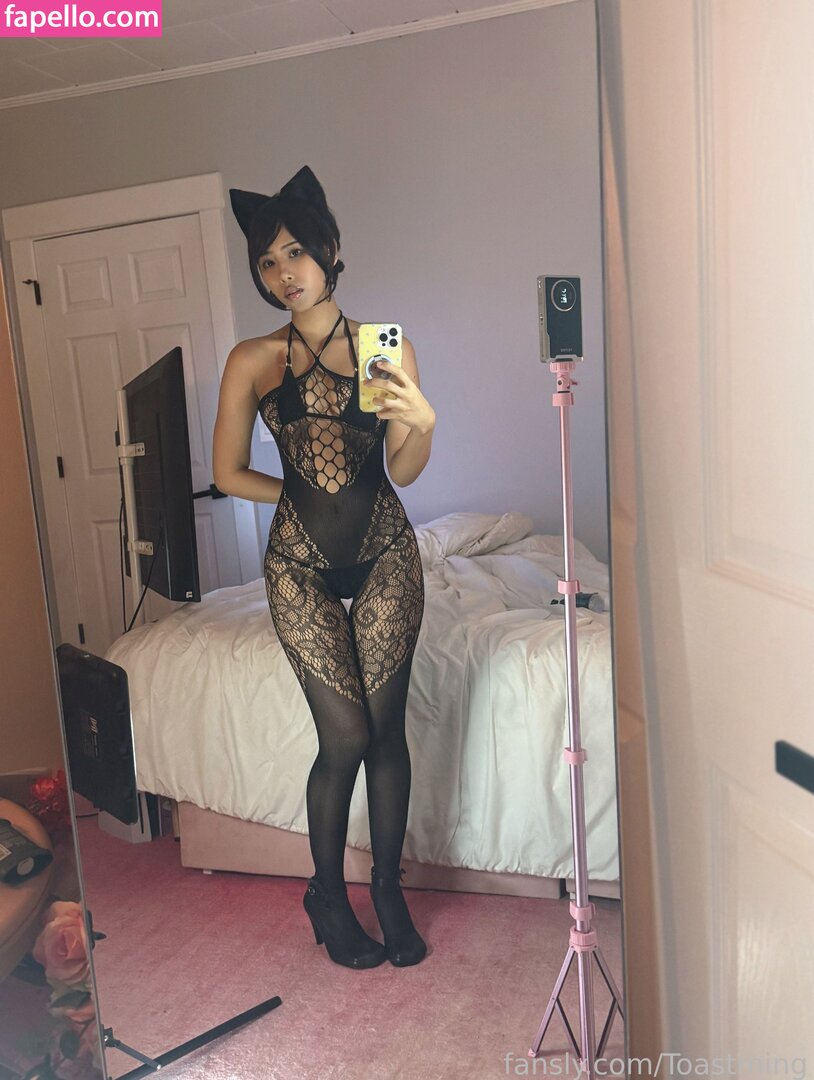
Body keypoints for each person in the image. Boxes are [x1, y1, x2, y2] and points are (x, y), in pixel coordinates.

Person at [212, 166, 436, 969]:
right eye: (268, 261)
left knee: (386, 732)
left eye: (296, 252)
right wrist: (299, 497)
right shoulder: (253, 359)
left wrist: (424, 422)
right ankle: (328, 896)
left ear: (330, 250)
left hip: (385, 554)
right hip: (299, 565)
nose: (284, 273)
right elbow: (228, 472)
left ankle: (388, 891)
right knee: (344, 736)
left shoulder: (382, 347)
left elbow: (402, 470)